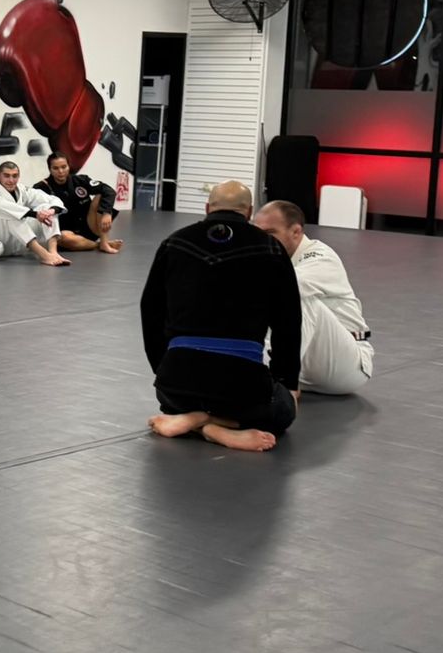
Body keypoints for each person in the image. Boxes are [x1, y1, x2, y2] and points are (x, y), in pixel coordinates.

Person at [141, 180, 302, 453]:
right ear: (249, 212)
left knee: (179, 400)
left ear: (207, 208)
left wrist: (163, 368)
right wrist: (286, 381)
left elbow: (151, 311)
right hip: (242, 391)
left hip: (176, 390)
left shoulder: (174, 243)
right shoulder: (271, 248)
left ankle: (197, 420)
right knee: (284, 409)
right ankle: (215, 426)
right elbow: (288, 322)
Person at [254, 199, 373, 396]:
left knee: (295, 296)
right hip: (306, 366)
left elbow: (279, 288)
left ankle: (275, 385)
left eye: (270, 233)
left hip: (348, 366)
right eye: (257, 233)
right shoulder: (270, 258)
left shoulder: (321, 257)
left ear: (296, 232)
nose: (261, 240)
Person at [0, 161, 70, 266]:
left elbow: (52, 199)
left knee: (46, 208)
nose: (11, 180)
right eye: (6, 176)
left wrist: (52, 210)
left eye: (15, 176)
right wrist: (35, 214)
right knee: (9, 214)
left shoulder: (22, 189)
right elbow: (0, 206)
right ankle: (44, 255)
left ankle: (53, 252)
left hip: (18, 242)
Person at [36, 153, 123, 254]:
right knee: (63, 237)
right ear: (50, 169)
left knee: (100, 195)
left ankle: (104, 242)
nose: (61, 171)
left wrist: (106, 212)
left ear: (69, 166)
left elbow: (109, 191)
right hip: (67, 234)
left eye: (64, 167)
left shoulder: (81, 180)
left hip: (90, 226)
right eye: (56, 168)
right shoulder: (41, 187)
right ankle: (98, 245)